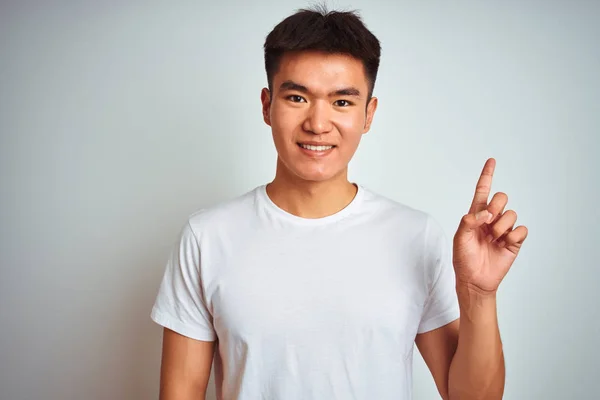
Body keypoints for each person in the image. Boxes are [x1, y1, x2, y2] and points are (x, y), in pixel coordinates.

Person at [150, 6, 528, 400]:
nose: (317, 122)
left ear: (369, 114)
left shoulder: (415, 235)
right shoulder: (207, 236)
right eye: (297, 97)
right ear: (267, 105)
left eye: (342, 102)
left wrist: (478, 295)